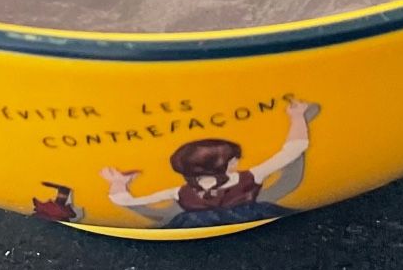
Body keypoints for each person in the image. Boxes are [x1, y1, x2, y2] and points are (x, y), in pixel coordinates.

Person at [100, 97, 320, 229]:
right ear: (221, 165)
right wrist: (297, 117)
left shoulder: (179, 192)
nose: (237, 163)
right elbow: (291, 152)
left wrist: (118, 183)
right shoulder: (252, 176)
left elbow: (130, 202)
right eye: (233, 160)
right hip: (257, 217)